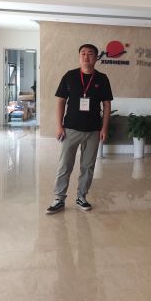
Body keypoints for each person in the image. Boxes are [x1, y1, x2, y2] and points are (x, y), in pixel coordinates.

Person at [46, 44, 113, 214]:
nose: (86, 56)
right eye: (83, 53)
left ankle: (81, 197)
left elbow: (107, 105)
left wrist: (104, 128)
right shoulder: (70, 76)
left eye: (90, 54)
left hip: (93, 130)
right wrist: (59, 126)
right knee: (64, 165)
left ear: (96, 58)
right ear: (79, 57)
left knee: (88, 167)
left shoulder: (102, 78)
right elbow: (61, 101)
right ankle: (59, 199)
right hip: (71, 129)